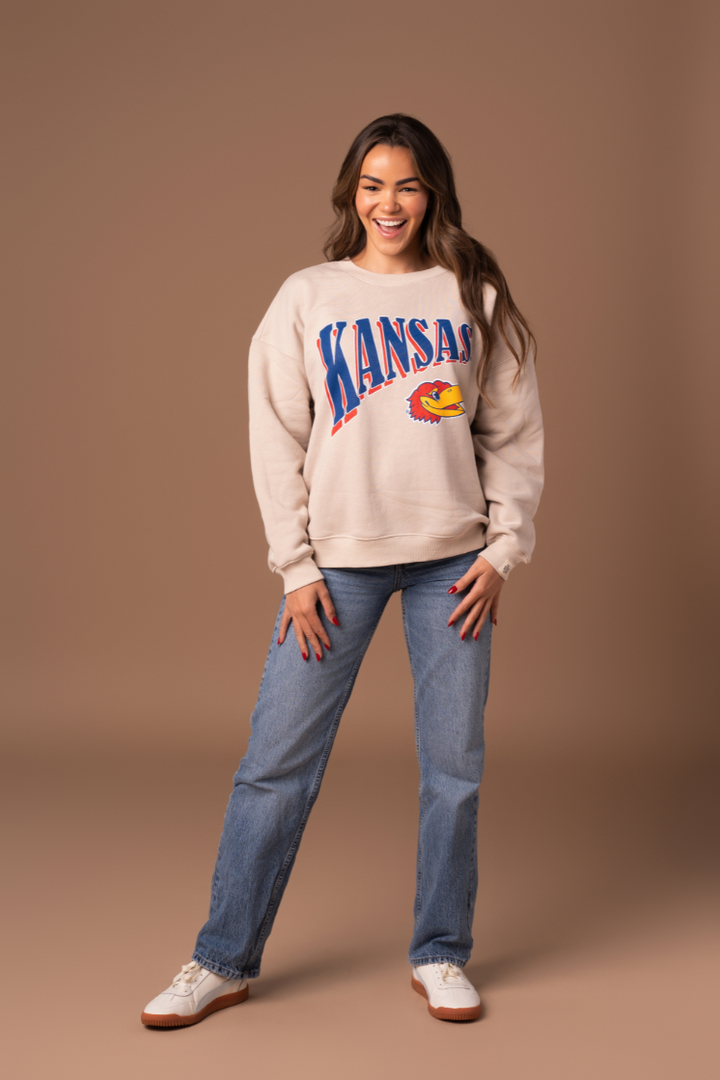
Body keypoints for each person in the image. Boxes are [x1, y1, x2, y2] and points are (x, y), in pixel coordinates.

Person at [141, 113, 544, 1027]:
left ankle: (440, 952)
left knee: (455, 769)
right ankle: (221, 958)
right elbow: (273, 434)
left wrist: (502, 549)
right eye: (372, 185)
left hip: (453, 565)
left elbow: (513, 433)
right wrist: (295, 565)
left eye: (405, 184)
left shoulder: (471, 292)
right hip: (337, 570)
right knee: (274, 765)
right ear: (350, 193)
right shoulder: (308, 296)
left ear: (431, 190)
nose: (388, 202)